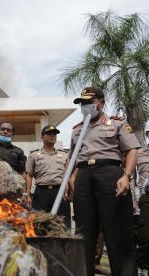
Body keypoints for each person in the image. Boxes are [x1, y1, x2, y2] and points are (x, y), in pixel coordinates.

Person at [69, 87, 140, 276]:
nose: (85, 106)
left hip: (110, 174)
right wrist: (71, 180)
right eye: (82, 103)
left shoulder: (117, 123)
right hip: (84, 177)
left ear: (101, 102)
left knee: (118, 232)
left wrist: (127, 176)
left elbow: (131, 150)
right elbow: (72, 159)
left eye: (89, 102)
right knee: (84, 234)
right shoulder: (76, 130)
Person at [24, 125, 71, 227]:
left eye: (54, 134)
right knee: (40, 224)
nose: (52, 136)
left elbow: (69, 175)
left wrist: (69, 190)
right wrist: (27, 194)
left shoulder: (64, 155)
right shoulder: (34, 155)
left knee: (63, 224)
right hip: (41, 193)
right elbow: (29, 175)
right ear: (42, 137)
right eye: (49, 134)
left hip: (60, 192)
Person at [135, 122, 149, 275]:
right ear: (146, 135)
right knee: (145, 236)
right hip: (146, 197)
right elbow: (132, 178)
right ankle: (143, 268)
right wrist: (134, 200)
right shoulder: (140, 154)